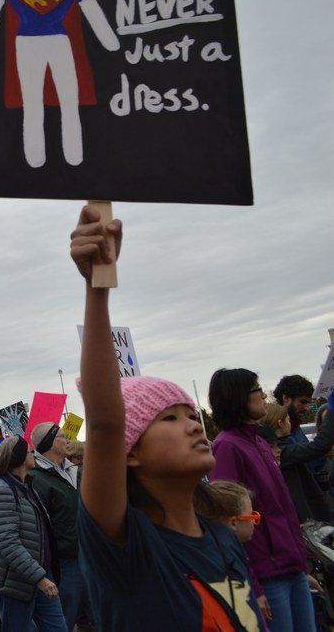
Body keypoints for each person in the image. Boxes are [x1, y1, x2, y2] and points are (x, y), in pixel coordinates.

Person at [70, 204, 264, 632]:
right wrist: (97, 288)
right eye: (169, 419)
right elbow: (104, 425)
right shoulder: (127, 548)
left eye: (190, 415)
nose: (195, 425)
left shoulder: (224, 540)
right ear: (131, 453)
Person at [209, 368, 314, 631]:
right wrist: (252, 585)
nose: (264, 395)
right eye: (257, 389)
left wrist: (302, 564)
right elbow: (227, 523)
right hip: (267, 578)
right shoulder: (227, 447)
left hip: (292, 569)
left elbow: (284, 511)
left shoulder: (259, 443)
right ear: (239, 397)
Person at [0, 435, 65, 632]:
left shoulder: (26, 486)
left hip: (40, 575)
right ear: (17, 457)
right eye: (28, 451)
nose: (33, 454)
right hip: (15, 584)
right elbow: (8, 544)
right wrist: (39, 579)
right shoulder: (1, 490)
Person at [29, 422, 88, 630]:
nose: (68, 440)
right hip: (65, 563)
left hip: (88, 554)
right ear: (51, 444)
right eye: (63, 436)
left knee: (95, 616)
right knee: (65, 618)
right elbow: (38, 526)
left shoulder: (75, 470)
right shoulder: (36, 479)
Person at [257, 395, 334, 523]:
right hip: (305, 520)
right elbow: (319, 446)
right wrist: (331, 407)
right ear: (280, 423)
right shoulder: (282, 452)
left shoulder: (286, 446)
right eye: (287, 419)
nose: (290, 423)